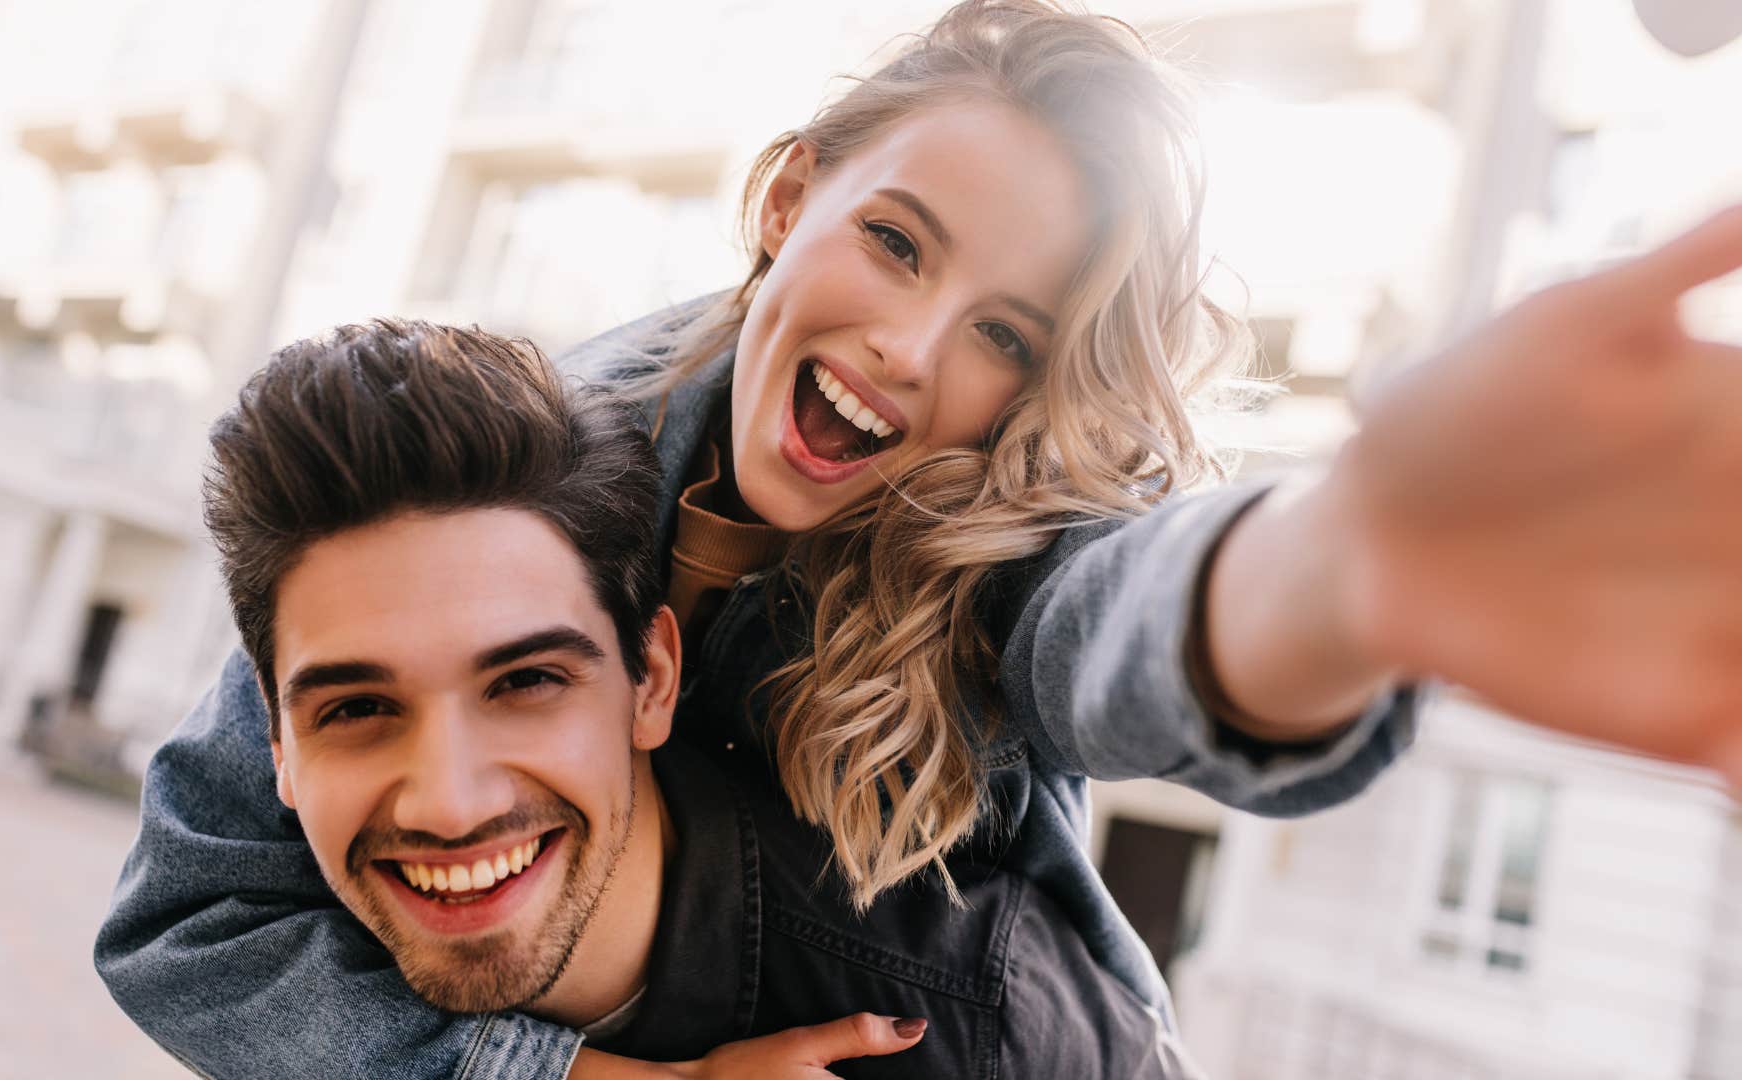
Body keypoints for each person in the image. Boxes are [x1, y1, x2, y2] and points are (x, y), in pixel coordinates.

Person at [96, 3, 1742, 1077]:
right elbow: (193, 914)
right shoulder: (507, 479)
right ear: (782, 198)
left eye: (1006, 335)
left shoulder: (992, 520)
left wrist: (1349, 564)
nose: (908, 347)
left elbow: (1120, 618)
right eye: (893, 242)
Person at [191, 318, 1198, 1077]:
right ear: (271, 745)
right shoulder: (288, 1007)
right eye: (356, 710)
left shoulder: (978, 1021)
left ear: (653, 679)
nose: (448, 802)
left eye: (528, 682)